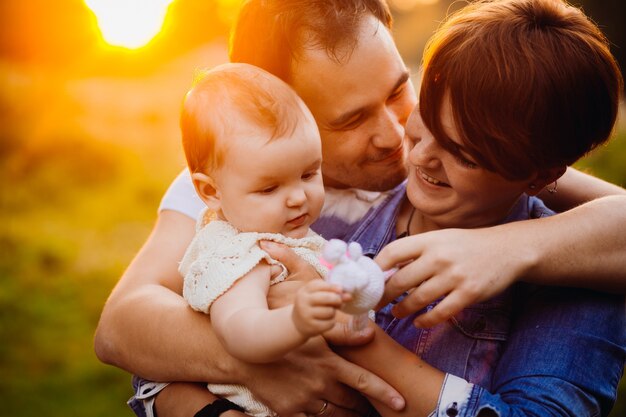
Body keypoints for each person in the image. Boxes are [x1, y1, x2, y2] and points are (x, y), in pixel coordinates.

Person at [93, 1, 626, 416]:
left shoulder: (463, 166)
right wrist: (260, 363)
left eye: (399, 92)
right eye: (350, 121)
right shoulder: (242, 189)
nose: (398, 139)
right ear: (274, 110)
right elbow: (126, 328)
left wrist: (507, 246)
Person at [330, 0, 625, 416]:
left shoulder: (584, 277)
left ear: (539, 177)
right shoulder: (345, 194)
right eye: (427, 113)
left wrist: (356, 340)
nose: (418, 156)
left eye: (465, 155)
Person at [177, 62, 359, 416]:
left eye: (309, 173)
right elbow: (240, 330)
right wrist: (296, 321)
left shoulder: (276, 234)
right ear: (210, 191)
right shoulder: (239, 253)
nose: (297, 197)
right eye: (269, 187)